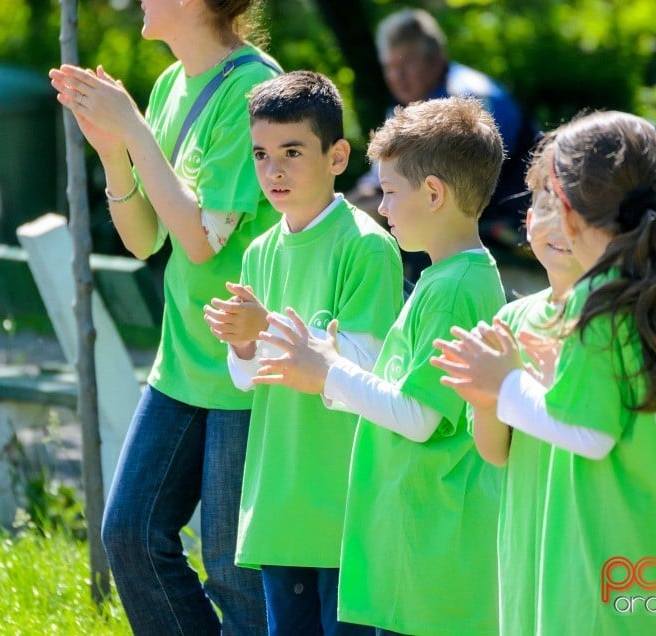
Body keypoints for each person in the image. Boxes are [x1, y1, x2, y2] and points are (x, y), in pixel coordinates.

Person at [432, 111, 656, 634]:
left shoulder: (602, 304)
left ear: (568, 207)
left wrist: (504, 382)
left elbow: (589, 433)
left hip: (609, 589)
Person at [48, 2, 280, 633]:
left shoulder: (254, 89)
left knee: (235, 574)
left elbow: (203, 239)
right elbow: (145, 238)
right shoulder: (168, 85)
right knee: (129, 532)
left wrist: (134, 129)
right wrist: (113, 151)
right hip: (179, 359)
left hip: (244, 365)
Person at [252, 96, 506, 634]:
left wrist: (328, 371)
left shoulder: (455, 288)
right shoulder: (446, 279)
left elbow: (418, 416)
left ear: (433, 193)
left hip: (432, 547)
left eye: (390, 192)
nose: (382, 207)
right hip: (415, 539)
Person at [203, 70, 403, 636]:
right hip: (279, 504)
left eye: (292, 151)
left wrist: (263, 325)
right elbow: (247, 379)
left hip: (346, 508)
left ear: (338, 155)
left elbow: (364, 366)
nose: (275, 170)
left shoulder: (366, 246)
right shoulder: (260, 251)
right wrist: (242, 341)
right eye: (262, 154)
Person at [462, 139, 586, 634]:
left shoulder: (612, 316)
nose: (554, 223)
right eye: (542, 203)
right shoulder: (511, 319)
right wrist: (487, 401)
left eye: (573, 206)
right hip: (527, 542)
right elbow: (496, 452)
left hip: (588, 542)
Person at [354, 8, 537, 280]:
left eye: (407, 63)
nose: (397, 76)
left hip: (506, 219)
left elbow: (463, 180)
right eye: (389, 67)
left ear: (436, 58)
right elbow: (376, 182)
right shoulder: (405, 107)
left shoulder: (471, 98)